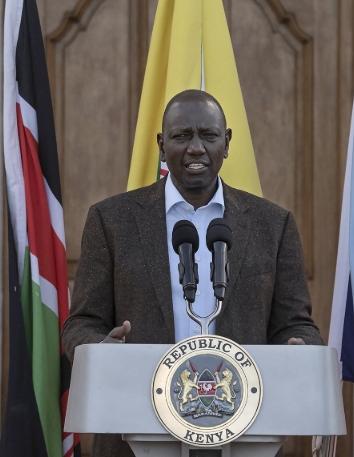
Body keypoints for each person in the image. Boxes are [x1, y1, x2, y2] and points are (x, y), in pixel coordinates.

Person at [61, 89, 322, 457]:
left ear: (227, 143)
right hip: (135, 433)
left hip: (243, 433)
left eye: (208, 135)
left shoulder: (272, 225)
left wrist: (300, 349)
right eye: (182, 136)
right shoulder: (112, 220)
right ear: (161, 144)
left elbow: (296, 324)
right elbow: (81, 323)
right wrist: (99, 351)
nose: (196, 148)